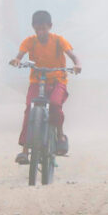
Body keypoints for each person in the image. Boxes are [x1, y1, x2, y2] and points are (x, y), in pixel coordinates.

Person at [9, 10, 82, 165]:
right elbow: (20, 55)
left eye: (43, 28)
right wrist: (16, 60)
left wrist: (77, 64)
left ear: (50, 26)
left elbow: (73, 55)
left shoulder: (58, 40)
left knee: (55, 104)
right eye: (37, 29)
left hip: (58, 80)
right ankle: (24, 151)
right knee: (29, 108)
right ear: (33, 28)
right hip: (37, 81)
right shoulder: (30, 41)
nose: (41, 32)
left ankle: (60, 135)